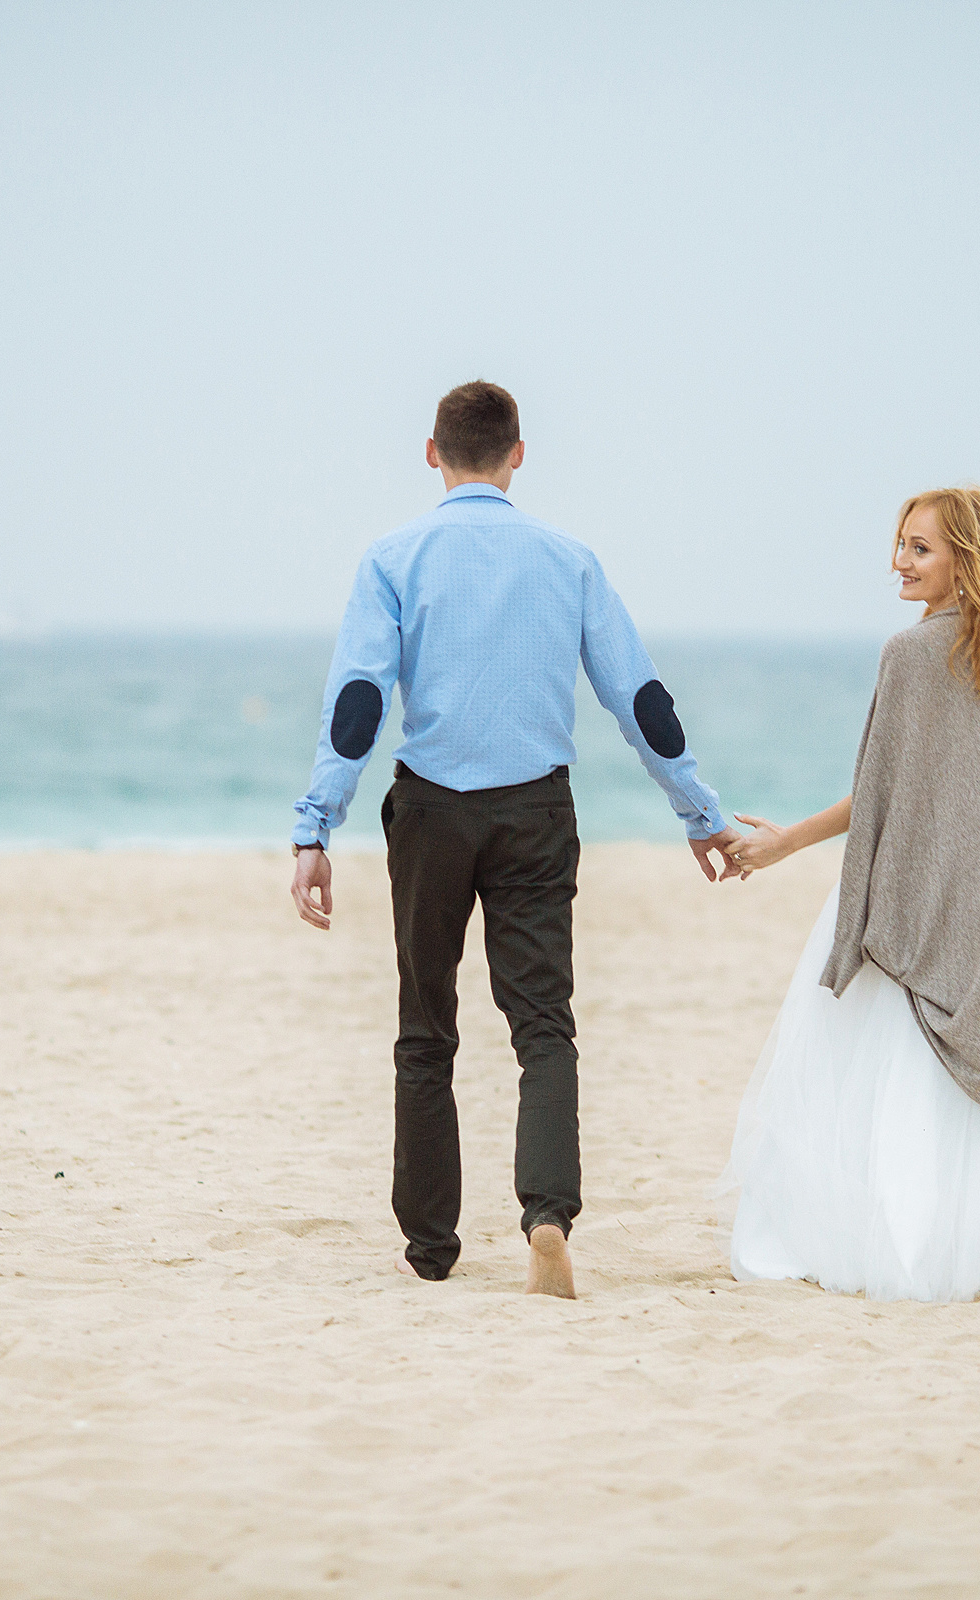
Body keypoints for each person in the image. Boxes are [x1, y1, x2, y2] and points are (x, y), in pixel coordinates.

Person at [289, 380, 740, 1298]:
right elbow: (639, 698)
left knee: (427, 1030)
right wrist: (701, 813)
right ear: (518, 455)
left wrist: (315, 825)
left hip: (431, 813)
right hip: (537, 811)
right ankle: (546, 1216)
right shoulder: (569, 561)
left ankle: (431, 1249)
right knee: (544, 1028)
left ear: (432, 453)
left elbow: (360, 702)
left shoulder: (392, 558)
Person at [717, 487, 980, 1302]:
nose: (898, 563)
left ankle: (900, 1255)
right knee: (945, 1104)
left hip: (919, 896)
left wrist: (783, 844)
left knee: (886, 1088)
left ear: (965, 561)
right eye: (900, 545)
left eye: (918, 548)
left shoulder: (909, 658)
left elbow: (878, 797)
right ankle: (952, 1255)